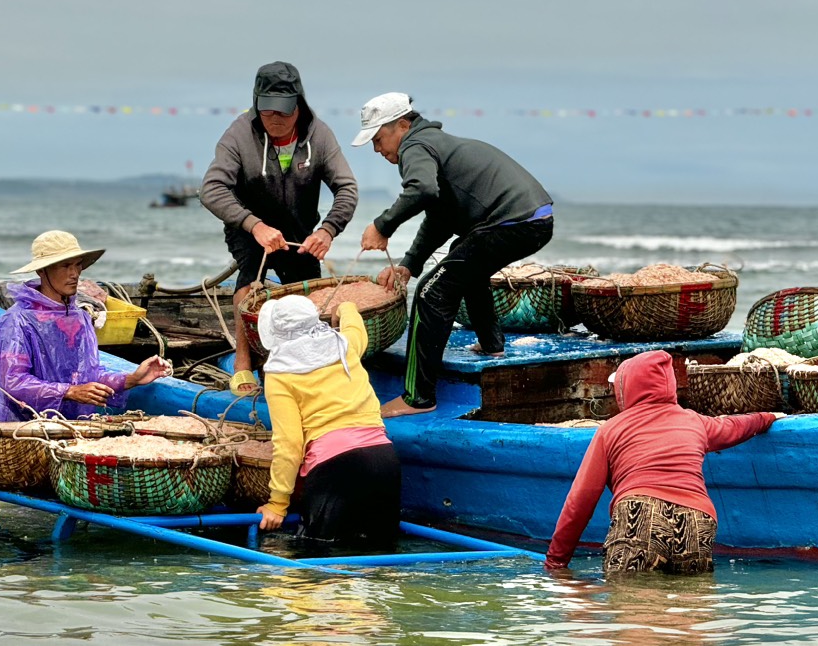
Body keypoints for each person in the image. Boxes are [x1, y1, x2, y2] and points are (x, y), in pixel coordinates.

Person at [352, 92, 554, 417]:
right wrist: (409, 264)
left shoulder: (415, 146)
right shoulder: (434, 143)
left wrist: (382, 226)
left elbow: (421, 190)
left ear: (402, 125)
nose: (377, 149)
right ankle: (492, 345)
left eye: (378, 138)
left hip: (511, 221)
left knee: (432, 293)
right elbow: (440, 217)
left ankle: (418, 397)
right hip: (534, 219)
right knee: (465, 265)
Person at [545, 350, 783, 574]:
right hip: (696, 519)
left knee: (632, 604)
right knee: (689, 608)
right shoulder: (694, 421)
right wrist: (768, 417)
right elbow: (735, 426)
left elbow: (580, 501)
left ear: (626, 389)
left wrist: (556, 561)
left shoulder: (611, 430)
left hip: (639, 515)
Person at [201, 61, 358, 396]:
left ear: (298, 104)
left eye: (283, 111)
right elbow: (212, 188)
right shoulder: (239, 133)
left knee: (308, 297)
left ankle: (308, 367)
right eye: (266, 109)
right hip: (249, 227)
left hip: (301, 232)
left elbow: (347, 188)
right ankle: (244, 365)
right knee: (250, 285)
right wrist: (253, 225)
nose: (274, 118)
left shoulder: (321, 135)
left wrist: (328, 230)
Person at [254, 295, 400, 545]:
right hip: (385, 462)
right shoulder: (346, 345)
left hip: (334, 471)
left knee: (316, 565)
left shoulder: (279, 376)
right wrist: (345, 307)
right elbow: (356, 326)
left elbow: (289, 444)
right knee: (379, 560)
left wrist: (277, 504)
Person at [0, 230, 171, 421]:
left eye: (77, 265)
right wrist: (70, 391)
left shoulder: (79, 317)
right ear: (42, 271)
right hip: (25, 429)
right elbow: (13, 382)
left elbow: (87, 374)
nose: (74, 274)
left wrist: (131, 379)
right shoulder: (17, 321)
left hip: (74, 427)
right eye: (65, 266)